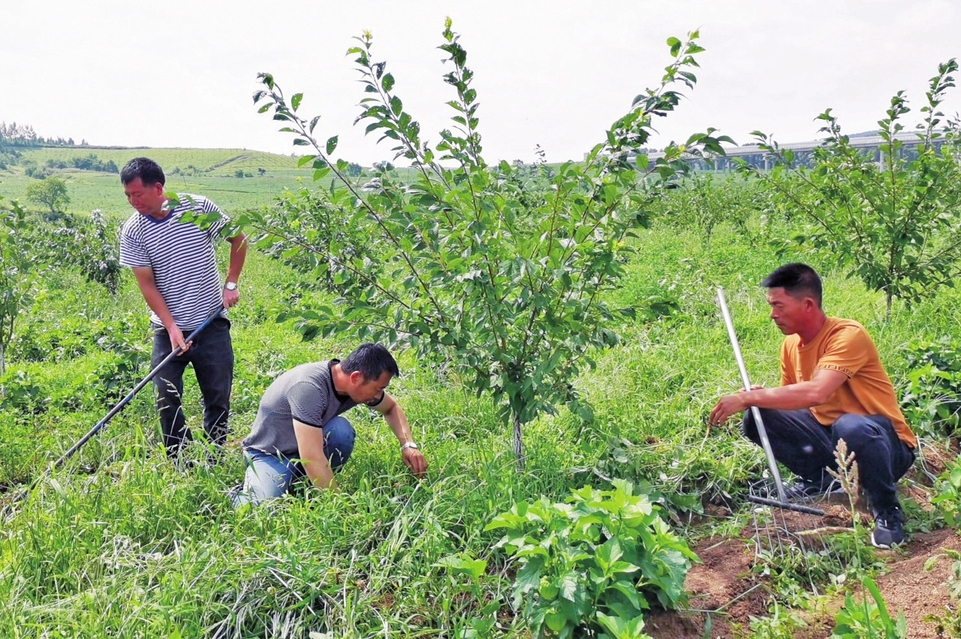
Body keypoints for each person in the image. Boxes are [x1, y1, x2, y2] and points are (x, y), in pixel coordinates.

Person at [709, 263, 917, 548]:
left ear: (807, 304)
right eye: (771, 306)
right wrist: (761, 397)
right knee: (759, 415)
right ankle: (820, 480)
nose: (773, 314)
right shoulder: (791, 346)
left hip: (884, 446)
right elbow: (795, 398)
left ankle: (887, 511)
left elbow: (816, 392)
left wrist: (748, 397)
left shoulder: (847, 335)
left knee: (850, 424)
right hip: (833, 440)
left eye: (779, 306)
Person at [119, 157, 247, 458]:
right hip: (167, 329)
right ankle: (179, 457)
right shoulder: (133, 231)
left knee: (217, 393)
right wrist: (172, 326)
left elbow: (238, 238)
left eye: (138, 194)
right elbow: (147, 284)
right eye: (128, 196)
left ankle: (214, 453)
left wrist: (231, 283)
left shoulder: (198, 208)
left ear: (159, 187)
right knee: (165, 394)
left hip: (210, 322)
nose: (133, 201)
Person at [233, 343, 428, 505]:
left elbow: (391, 408)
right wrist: (341, 507)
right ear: (356, 377)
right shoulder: (309, 388)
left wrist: (408, 445)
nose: (378, 395)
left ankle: (308, 482)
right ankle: (237, 494)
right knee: (259, 506)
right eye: (378, 389)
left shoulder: (353, 387)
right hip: (270, 454)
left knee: (341, 431)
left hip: (306, 446)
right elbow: (311, 457)